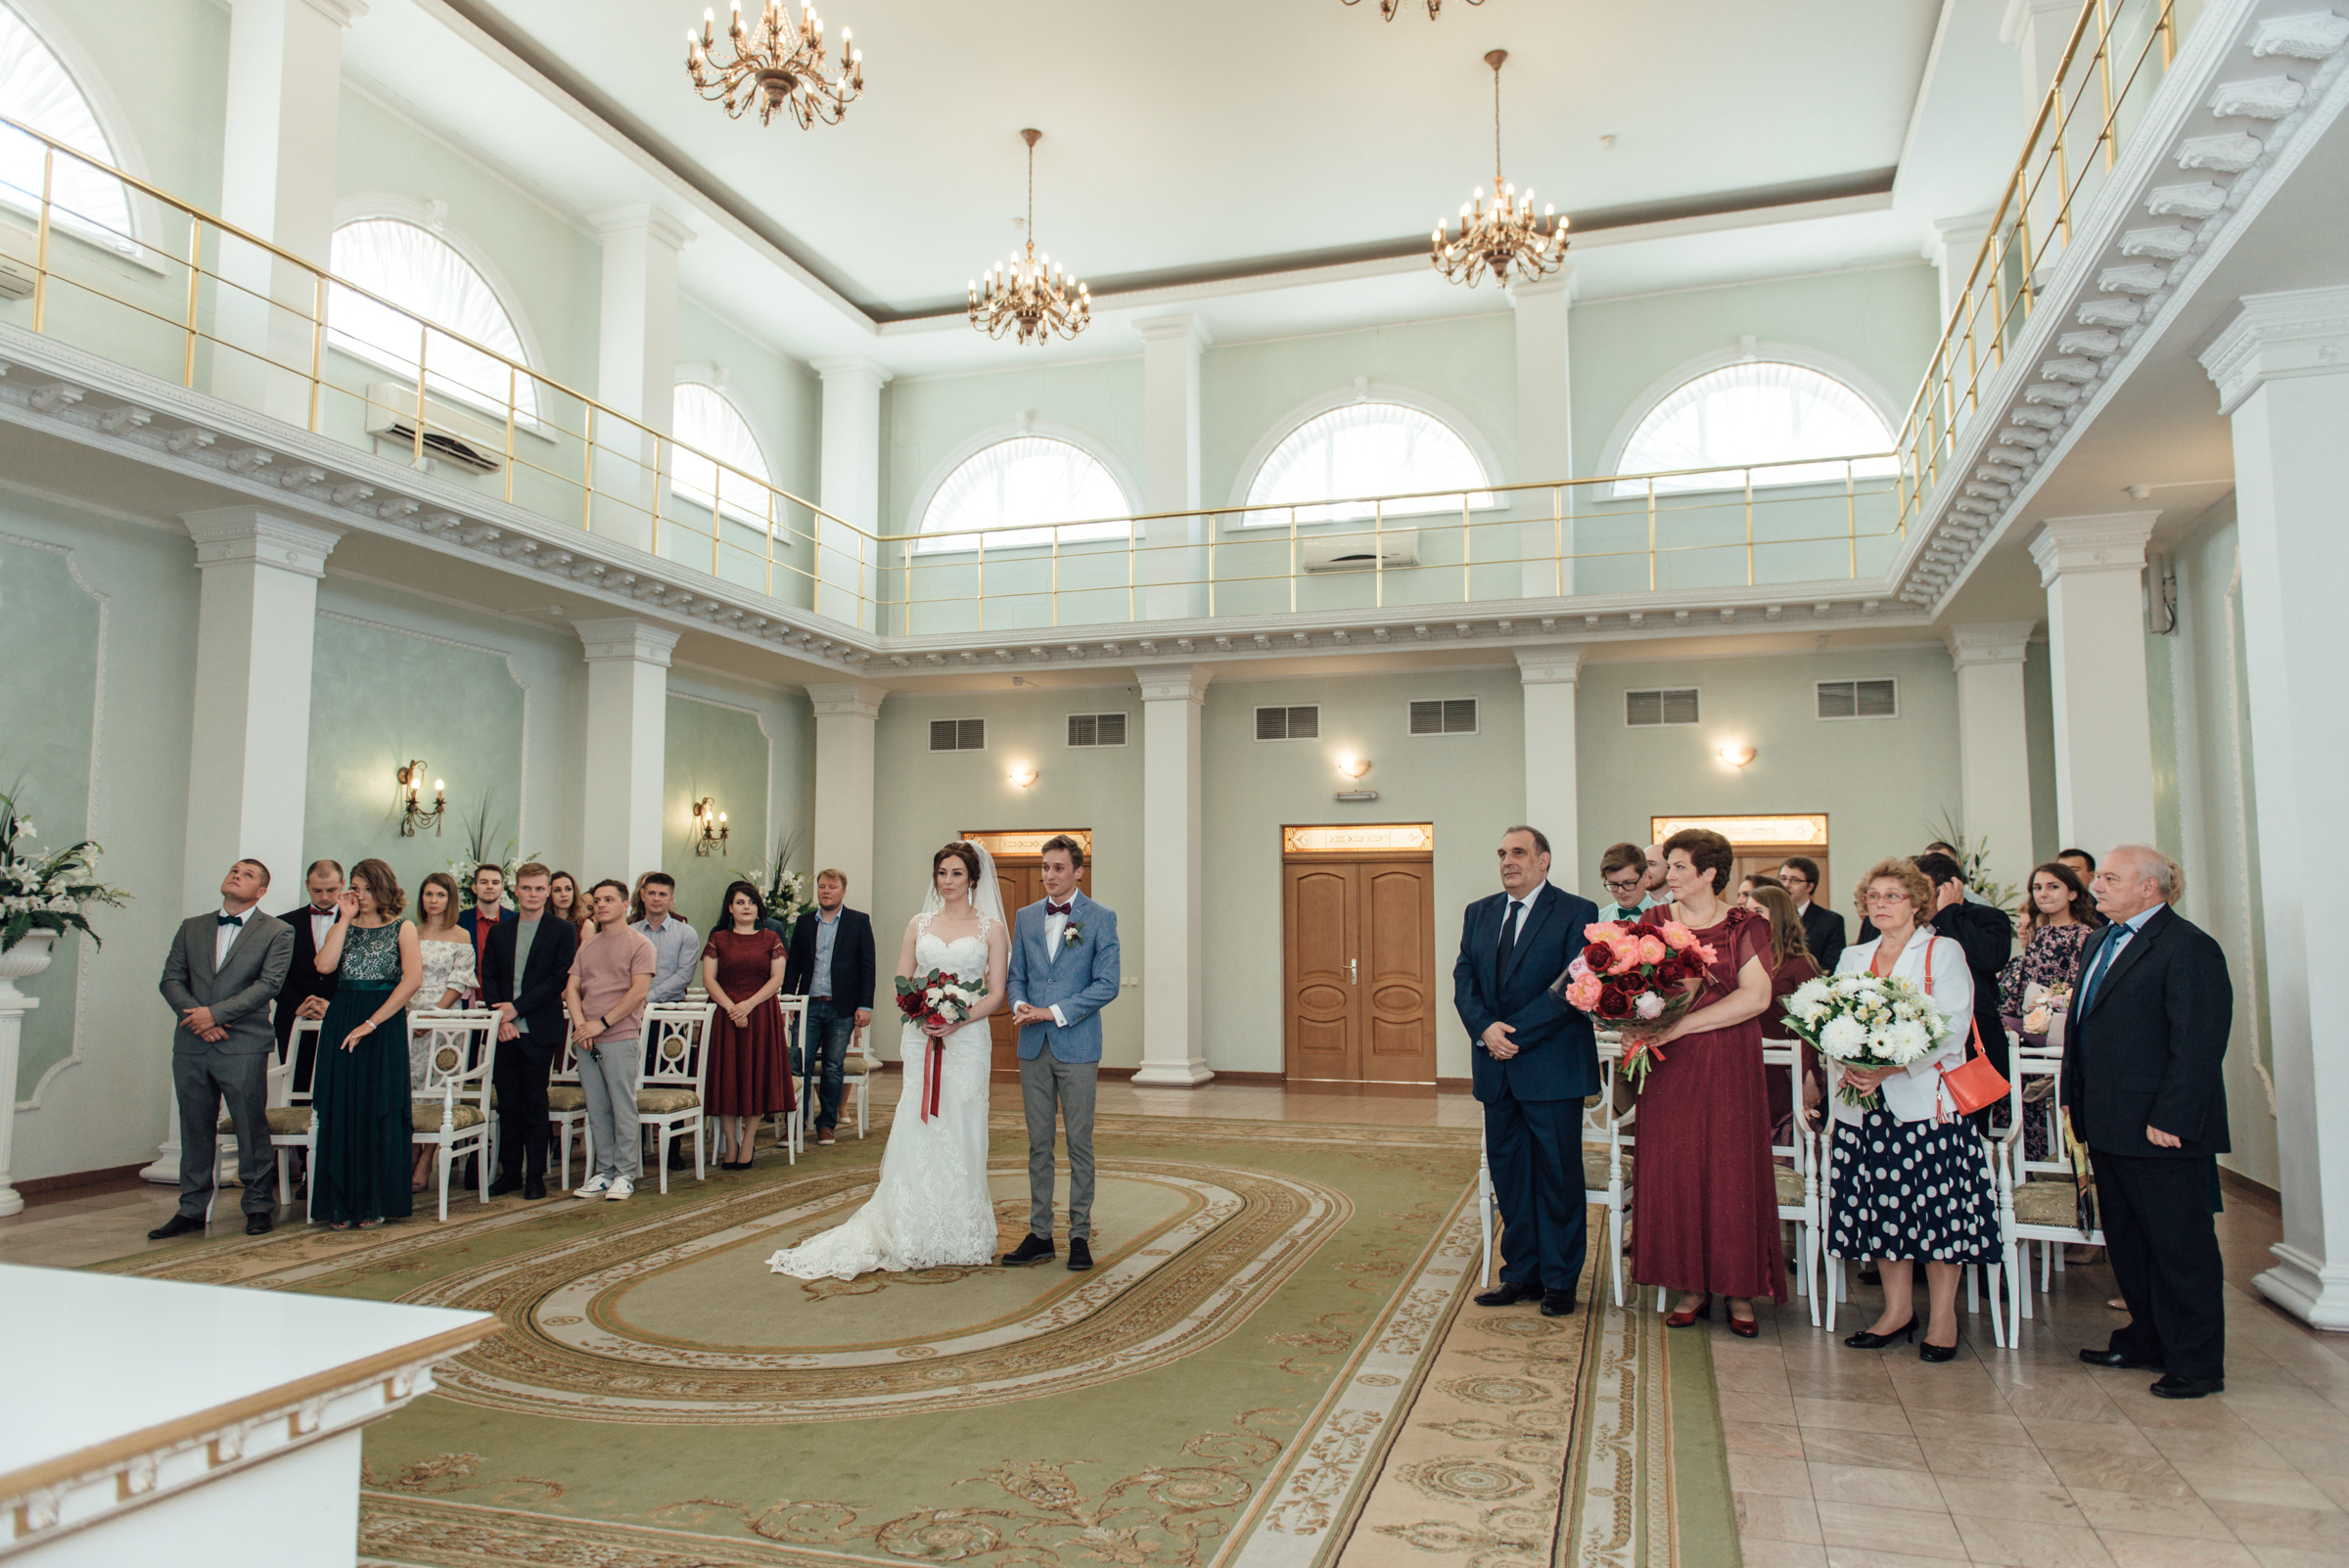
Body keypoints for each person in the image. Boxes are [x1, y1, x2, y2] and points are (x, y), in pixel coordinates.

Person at [769, 842, 1009, 1280]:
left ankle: (961, 1227)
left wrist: (958, 1018)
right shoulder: (919, 924)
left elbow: (997, 992)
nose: (948, 881)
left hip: (969, 1039)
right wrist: (923, 1009)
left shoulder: (991, 929)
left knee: (962, 1120)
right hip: (922, 1035)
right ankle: (909, 1223)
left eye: (957, 873)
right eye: (942, 873)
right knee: (918, 1119)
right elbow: (903, 980)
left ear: (973, 879)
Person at [2066, 846, 2234, 1399]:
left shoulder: (2188, 947)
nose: (2097, 886)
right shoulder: (2100, 940)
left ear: (2149, 887)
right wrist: (2071, 1098)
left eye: (2111, 878)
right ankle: (2148, 1340)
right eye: (2100, 878)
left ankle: (2197, 1363)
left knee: (2180, 1249)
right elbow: (2086, 1028)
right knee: (2130, 1246)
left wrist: (2174, 1116)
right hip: (2107, 1122)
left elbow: (2199, 1042)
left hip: (2160, 1128)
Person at [1825, 858, 2000, 1360]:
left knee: (1937, 1210)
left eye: (1892, 896)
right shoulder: (1854, 955)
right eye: (1873, 896)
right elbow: (1830, 1018)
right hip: (1865, 1102)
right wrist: (1849, 1063)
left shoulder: (1942, 951)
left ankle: (1943, 1318)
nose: (1880, 904)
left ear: (1917, 903)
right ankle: (1897, 1311)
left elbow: (1952, 1027)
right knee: (1883, 1207)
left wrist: (1890, 1068)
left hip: (1926, 1102)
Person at [1620, 828, 1785, 1336]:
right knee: (1677, 1168)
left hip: (1729, 1061)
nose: (1666, 875)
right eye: (1666, 866)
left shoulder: (1745, 925)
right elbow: (1630, 987)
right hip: (1668, 1068)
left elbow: (1755, 997)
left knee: (1731, 1169)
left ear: (1709, 873)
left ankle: (1739, 1289)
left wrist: (1682, 1025)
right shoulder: (1653, 922)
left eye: (1678, 867)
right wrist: (1630, 1021)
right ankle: (1689, 1285)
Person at [1454, 826, 1599, 1317]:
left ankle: (1559, 1280)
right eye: (1502, 853)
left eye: (1518, 852)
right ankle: (1520, 1273)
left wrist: (1510, 1034)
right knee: (1511, 1177)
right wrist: (1484, 1028)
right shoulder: (1479, 912)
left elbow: (1571, 986)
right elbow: (1464, 978)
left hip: (1551, 1067)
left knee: (1558, 1177)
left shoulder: (1576, 911)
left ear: (1544, 860)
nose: (1507, 861)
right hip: (1496, 1070)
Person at [150, 859, 294, 1240]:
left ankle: (258, 1205)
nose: (237, 875)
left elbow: (269, 985)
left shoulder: (278, 931)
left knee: (249, 1124)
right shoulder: (192, 927)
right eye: (235, 870)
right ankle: (192, 1208)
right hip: (192, 1042)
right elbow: (171, 979)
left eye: (248, 874)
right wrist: (199, 1019)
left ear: (261, 891)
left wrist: (215, 1015)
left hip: (243, 1042)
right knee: (194, 1126)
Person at [1001, 835, 1122, 1271]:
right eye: (1045, 867)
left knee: (1079, 1143)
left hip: (1078, 1045)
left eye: (1057, 868)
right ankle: (1040, 1234)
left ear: (1077, 872)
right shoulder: (1026, 917)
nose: (1049, 875)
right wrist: (1020, 1004)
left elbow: (1107, 985)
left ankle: (1079, 1235)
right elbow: (1016, 976)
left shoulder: (1100, 918)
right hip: (1033, 1047)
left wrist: (1051, 1012)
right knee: (1038, 1144)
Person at [308, 858, 423, 1229]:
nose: (363, 895)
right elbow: (324, 966)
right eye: (357, 888)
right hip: (342, 1019)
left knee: (379, 1108)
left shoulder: (403, 927)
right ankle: (339, 1204)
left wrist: (372, 1023)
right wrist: (343, 919)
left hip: (383, 1022)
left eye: (370, 888)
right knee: (341, 1108)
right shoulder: (342, 926)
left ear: (384, 888)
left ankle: (376, 1202)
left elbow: (412, 980)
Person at [480, 862, 578, 1200]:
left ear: (548, 891)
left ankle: (535, 1175)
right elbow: (489, 977)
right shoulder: (500, 932)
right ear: (515, 890)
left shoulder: (562, 930)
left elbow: (558, 979)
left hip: (538, 1028)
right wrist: (503, 1018)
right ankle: (510, 1172)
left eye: (539, 888)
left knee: (535, 1102)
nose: (533, 894)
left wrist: (517, 1009)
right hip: (504, 1030)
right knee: (508, 1104)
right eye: (526, 888)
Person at [566, 879, 657, 1200]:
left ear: (625, 905)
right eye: (597, 900)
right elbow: (571, 989)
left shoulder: (640, 944)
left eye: (608, 899)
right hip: (586, 1037)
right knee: (597, 1107)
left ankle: (625, 1174)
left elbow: (638, 992)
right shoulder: (587, 946)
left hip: (619, 1034)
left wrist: (601, 1024)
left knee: (622, 1105)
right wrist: (581, 1026)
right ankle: (604, 1172)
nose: (600, 905)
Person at [782, 868, 877, 1148]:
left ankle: (826, 1125)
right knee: (799, 1065)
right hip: (808, 1005)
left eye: (832, 887)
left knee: (833, 1067)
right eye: (822, 886)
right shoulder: (804, 922)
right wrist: (788, 1001)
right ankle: (796, 1125)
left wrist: (865, 1005)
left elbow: (867, 966)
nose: (826, 891)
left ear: (843, 891)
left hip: (842, 1007)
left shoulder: (858, 921)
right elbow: (794, 964)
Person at [703, 881, 794, 1169]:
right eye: (740, 902)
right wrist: (732, 1008)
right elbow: (708, 979)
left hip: (761, 1014)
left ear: (759, 908)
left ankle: (749, 1140)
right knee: (727, 1079)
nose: (746, 907)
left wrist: (748, 1005)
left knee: (756, 1077)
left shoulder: (771, 938)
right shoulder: (718, 938)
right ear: (730, 908)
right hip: (726, 1016)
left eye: (752, 902)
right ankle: (731, 1143)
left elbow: (777, 979)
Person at [1915, 852, 2016, 1092]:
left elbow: (1990, 959)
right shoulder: (1905, 922)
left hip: (1972, 1038)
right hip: (1915, 1038)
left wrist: (1948, 912)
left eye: (1920, 887)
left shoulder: (1986, 917)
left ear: (1946, 888)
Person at [408, 871, 478, 1191]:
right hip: (409, 1014)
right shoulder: (411, 931)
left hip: (444, 1016)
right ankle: (411, 1149)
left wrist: (434, 1014)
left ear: (450, 899)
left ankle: (427, 1157)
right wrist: (411, 1013)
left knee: (439, 1086)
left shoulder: (461, 934)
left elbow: (459, 981)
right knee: (410, 1087)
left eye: (440, 895)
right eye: (428, 894)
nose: (433, 900)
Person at [1748, 884, 1821, 1137]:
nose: (1749, 917)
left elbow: (1811, 1026)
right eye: (1746, 911)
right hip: (1750, 1061)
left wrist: (1809, 1076)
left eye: (1758, 911)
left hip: (1785, 1067)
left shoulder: (1800, 964)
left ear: (1778, 915)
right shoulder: (1745, 960)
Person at [273, 858, 344, 1095]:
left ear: (343, 884)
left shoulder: (356, 921)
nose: (324, 897)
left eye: (331, 890)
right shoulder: (283, 923)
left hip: (340, 1016)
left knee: (338, 1088)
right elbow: (273, 974)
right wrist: (297, 1005)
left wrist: (336, 1006)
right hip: (293, 1018)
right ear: (307, 885)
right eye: (317, 890)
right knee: (296, 1088)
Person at [1999, 860, 2103, 1018]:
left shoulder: (2082, 935)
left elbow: (2072, 989)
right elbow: (2024, 981)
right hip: (2031, 1019)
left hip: (2061, 1019)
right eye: (2037, 888)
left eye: (2053, 887)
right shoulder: (2040, 933)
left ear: (2072, 894)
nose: (2043, 894)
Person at [631, 872, 700, 1004]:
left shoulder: (686, 933)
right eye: (651, 893)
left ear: (671, 899)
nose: (656, 899)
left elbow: (684, 975)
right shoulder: (630, 933)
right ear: (643, 896)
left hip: (671, 1008)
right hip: (632, 1007)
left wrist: (648, 999)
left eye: (662, 894)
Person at [1780, 856, 1847, 975]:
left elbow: (1830, 967)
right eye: (1783, 878)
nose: (1786, 885)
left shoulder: (1831, 921)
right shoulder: (1770, 916)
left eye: (1794, 880)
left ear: (1810, 886)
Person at [457, 863, 508, 989]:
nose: (489, 886)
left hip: (506, 995)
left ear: (502, 888)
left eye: (495, 882)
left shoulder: (516, 920)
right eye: (484, 882)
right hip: (469, 993)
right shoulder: (459, 921)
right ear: (474, 888)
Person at [1595, 842, 1659, 925]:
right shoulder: (1598, 919)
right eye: (1614, 884)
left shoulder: (1667, 916)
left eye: (1628, 883)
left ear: (1645, 876)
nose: (1621, 891)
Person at [547, 871, 593, 940]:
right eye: (557, 890)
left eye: (568, 889)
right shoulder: (543, 923)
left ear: (574, 892)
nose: (564, 894)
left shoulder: (585, 925)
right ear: (549, 894)